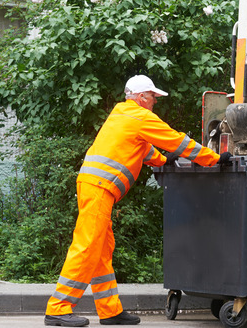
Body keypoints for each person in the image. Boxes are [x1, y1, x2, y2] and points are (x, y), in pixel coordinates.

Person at [44, 75, 231, 327]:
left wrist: (164, 161)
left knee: (101, 250)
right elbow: (176, 140)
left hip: (94, 186)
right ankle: (58, 308)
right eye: (153, 96)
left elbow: (142, 148)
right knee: (87, 246)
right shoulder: (140, 116)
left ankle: (109, 311)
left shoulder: (123, 114)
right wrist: (213, 158)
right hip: (99, 188)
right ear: (141, 97)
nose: (155, 101)